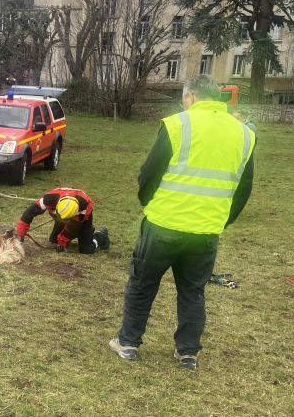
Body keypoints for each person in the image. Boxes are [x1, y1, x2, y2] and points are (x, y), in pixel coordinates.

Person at [110, 74, 256, 370]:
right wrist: (222, 220)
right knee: (193, 291)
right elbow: (245, 188)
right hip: (206, 231)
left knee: (142, 284)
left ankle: (128, 343)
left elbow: (149, 173)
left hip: (163, 225)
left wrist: (148, 204)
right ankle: (187, 352)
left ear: (190, 96)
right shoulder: (245, 133)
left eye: (183, 98)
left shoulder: (177, 124)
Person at [15, 188, 110, 253]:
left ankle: (101, 234)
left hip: (82, 220)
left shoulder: (83, 209)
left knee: (86, 249)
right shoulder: (49, 199)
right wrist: (20, 233)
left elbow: (73, 228)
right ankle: (84, 233)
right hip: (67, 213)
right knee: (53, 240)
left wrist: (63, 241)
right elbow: (30, 212)